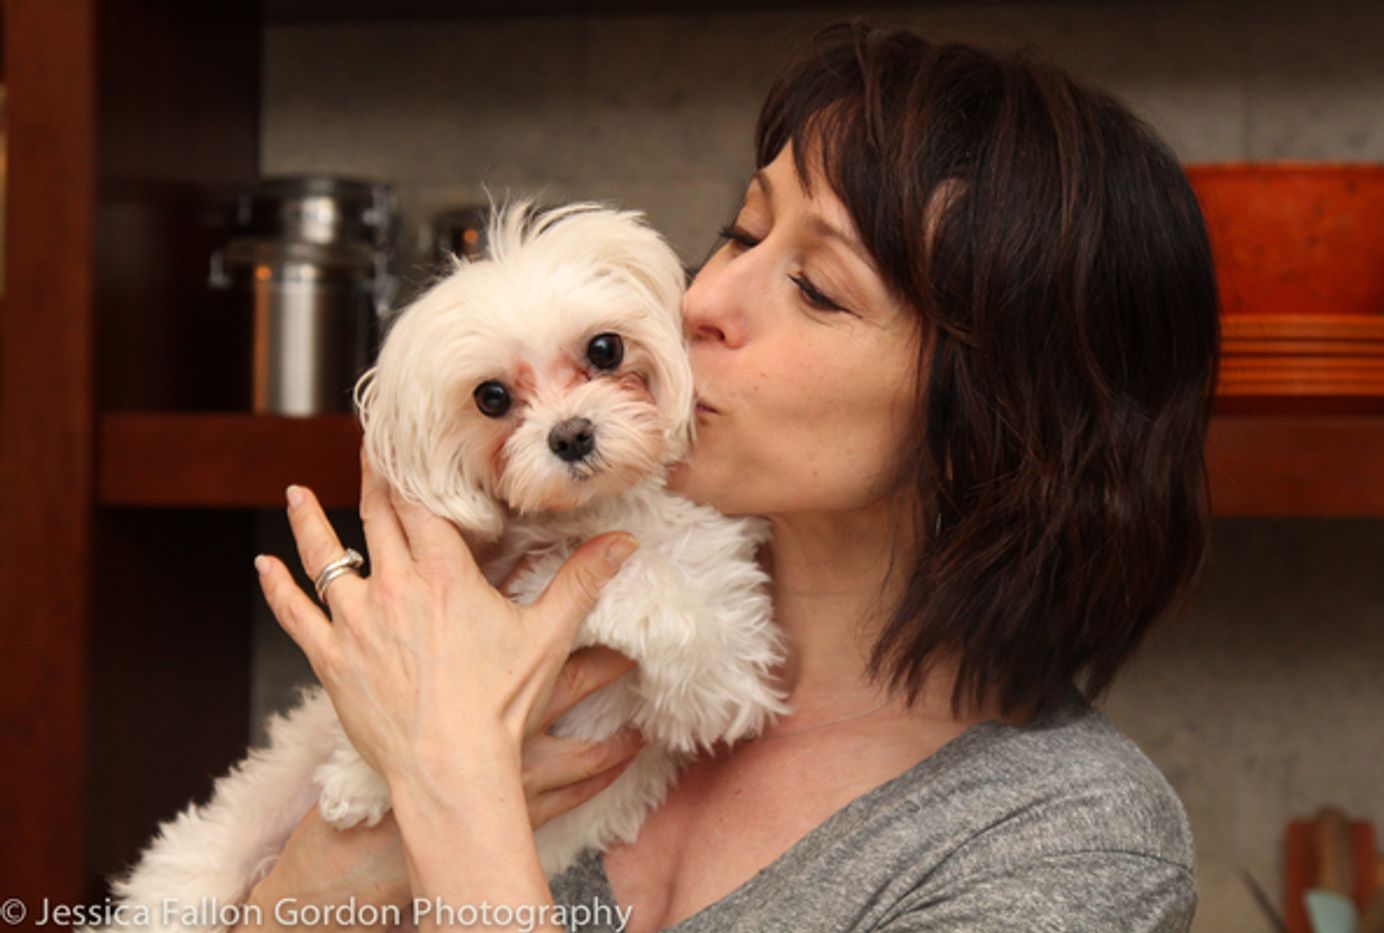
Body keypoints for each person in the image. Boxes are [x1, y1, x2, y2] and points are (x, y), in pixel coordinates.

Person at [244, 21, 1218, 933]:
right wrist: (333, 871)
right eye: (743, 231)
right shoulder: (521, 651)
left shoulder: (1067, 841)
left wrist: (449, 790)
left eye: (818, 288)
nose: (700, 295)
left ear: (1001, 414)